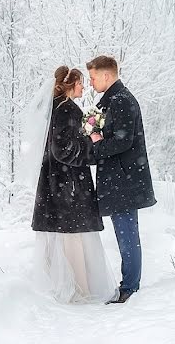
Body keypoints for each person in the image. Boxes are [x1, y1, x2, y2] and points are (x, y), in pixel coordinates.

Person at [30, 66, 115, 303]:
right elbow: (62, 150)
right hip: (67, 185)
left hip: (58, 184)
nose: (84, 87)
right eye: (80, 83)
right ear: (70, 85)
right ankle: (76, 289)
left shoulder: (58, 109)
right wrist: (91, 150)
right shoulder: (65, 110)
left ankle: (65, 284)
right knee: (73, 237)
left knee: (65, 238)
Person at [87, 55, 156, 304]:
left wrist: (96, 144)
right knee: (125, 233)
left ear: (107, 75)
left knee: (127, 235)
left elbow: (123, 141)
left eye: (94, 77)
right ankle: (129, 284)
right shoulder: (112, 101)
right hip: (121, 179)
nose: (91, 82)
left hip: (124, 180)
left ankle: (130, 287)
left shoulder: (122, 101)